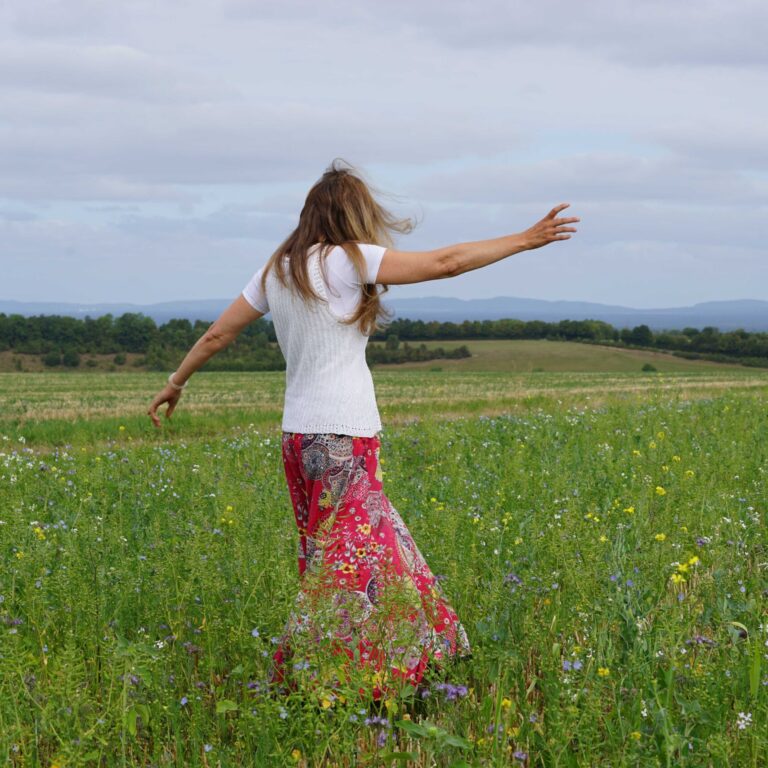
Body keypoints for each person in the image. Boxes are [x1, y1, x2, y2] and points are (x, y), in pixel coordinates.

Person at [147, 159, 579, 701]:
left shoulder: (278, 269)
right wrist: (524, 239)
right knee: (347, 561)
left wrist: (175, 382)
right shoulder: (349, 260)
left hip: (299, 441)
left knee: (366, 547)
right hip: (342, 439)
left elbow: (215, 335)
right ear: (354, 214)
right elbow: (446, 263)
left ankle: (428, 655)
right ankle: (328, 680)